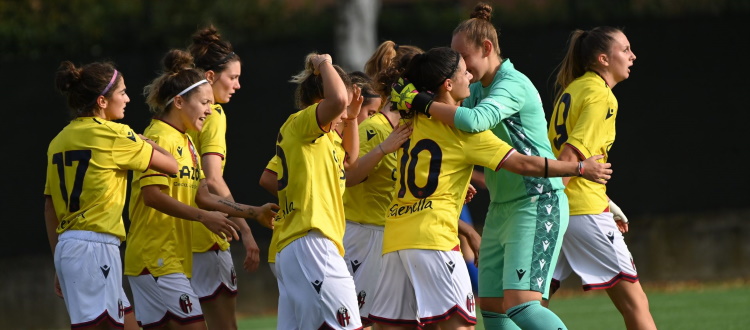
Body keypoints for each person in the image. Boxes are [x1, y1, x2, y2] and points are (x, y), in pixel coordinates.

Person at [371, 47, 612, 330]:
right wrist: (580, 169)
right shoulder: (464, 131)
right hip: (434, 239)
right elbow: (524, 164)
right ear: (448, 85)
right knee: (461, 325)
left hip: (396, 237)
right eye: (464, 72)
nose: (470, 76)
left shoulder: (411, 120)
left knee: (394, 327)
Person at [124, 49, 277, 329]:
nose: (209, 110)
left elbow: (203, 196)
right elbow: (152, 195)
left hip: (171, 259)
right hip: (155, 257)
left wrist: (254, 213)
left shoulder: (188, 142)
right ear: (179, 102)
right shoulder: (159, 137)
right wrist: (203, 217)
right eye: (204, 103)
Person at [45, 60, 178, 330]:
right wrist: (148, 143)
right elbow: (172, 166)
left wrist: (58, 258)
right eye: (122, 92)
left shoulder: (58, 140)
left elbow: (49, 206)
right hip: (94, 248)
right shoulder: (114, 134)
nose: (128, 99)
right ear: (102, 101)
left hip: (71, 248)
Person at [544, 26, 656, 330]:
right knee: (636, 304)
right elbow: (569, 158)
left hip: (566, 209)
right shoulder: (601, 96)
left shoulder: (573, 89)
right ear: (603, 59)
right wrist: (548, 210)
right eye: (625, 49)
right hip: (582, 212)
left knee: (531, 303)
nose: (633, 56)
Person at [273, 53, 363, 329]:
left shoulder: (324, 136)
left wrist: (353, 120)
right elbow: (336, 100)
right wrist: (323, 61)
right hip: (312, 243)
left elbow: (350, 160)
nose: (344, 111)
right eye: (345, 103)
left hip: (301, 246)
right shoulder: (303, 122)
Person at [186, 25, 266, 330]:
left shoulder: (171, 117)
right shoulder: (213, 114)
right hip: (206, 237)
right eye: (232, 77)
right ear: (209, 77)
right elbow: (213, 179)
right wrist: (246, 230)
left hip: (173, 237)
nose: (238, 85)